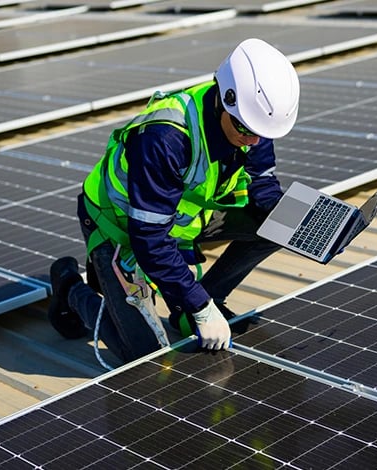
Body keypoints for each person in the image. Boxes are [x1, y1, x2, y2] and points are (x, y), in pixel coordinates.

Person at [48, 37, 300, 364]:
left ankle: (197, 303)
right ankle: (70, 287)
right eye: (244, 128)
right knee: (142, 354)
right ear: (223, 100)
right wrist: (200, 307)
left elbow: (262, 183)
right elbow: (149, 240)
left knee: (280, 225)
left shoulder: (251, 123)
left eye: (261, 133)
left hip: (180, 220)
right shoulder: (165, 138)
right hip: (121, 225)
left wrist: (302, 224)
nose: (252, 140)